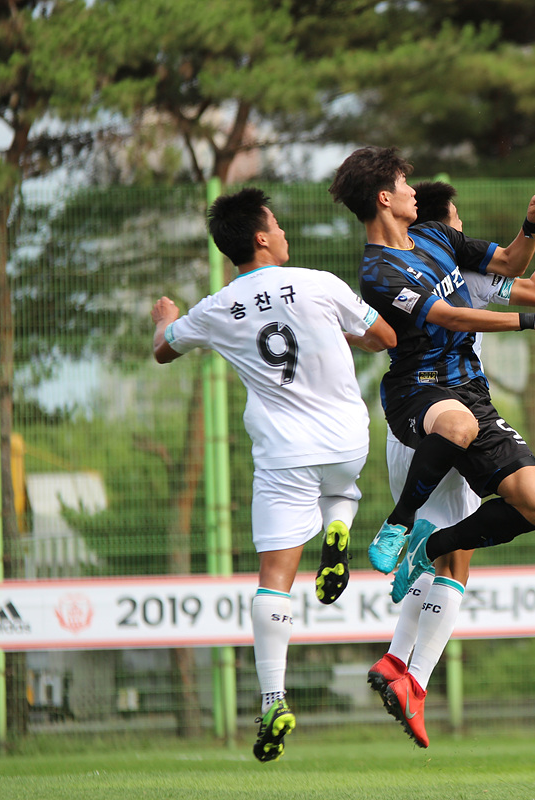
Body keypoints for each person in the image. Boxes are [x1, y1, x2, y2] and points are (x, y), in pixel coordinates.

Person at [328, 147, 535, 745]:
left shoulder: (438, 237)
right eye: (403, 182)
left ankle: (408, 636)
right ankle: (400, 537)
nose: (414, 190)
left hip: (470, 396)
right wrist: (530, 320)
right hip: (420, 399)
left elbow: (514, 262)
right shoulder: (379, 272)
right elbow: (452, 316)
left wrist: (533, 226)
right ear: (384, 197)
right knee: (458, 441)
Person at [149, 188, 396, 764]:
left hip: (284, 453)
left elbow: (163, 349)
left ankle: (272, 701)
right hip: (347, 438)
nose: (284, 232)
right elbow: (384, 337)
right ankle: (338, 527)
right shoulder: (318, 283)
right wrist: (339, 334)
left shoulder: (215, 309)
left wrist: (164, 319)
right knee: (341, 488)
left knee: (274, 580)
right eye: (277, 224)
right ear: (262, 237)